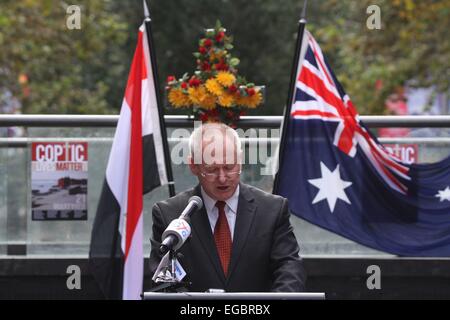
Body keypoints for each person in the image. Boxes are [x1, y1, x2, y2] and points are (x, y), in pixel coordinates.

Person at [149, 123, 306, 292]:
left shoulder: (272, 209)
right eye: (212, 169)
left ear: (240, 160)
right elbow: (163, 284)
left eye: (229, 167)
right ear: (193, 165)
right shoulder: (169, 215)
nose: (222, 178)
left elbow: (289, 269)